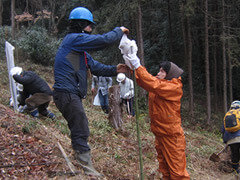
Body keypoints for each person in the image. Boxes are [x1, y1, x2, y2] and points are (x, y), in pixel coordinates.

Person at [52, 7, 129, 176]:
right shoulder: (73, 40)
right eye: (89, 26)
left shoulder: (79, 51)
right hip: (66, 93)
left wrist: (116, 69)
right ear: (80, 25)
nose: (91, 29)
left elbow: (96, 68)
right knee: (81, 128)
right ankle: (87, 170)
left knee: (79, 127)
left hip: (68, 94)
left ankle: (80, 161)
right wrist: (119, 31)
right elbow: (103, 41)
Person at [123, 54, 190, 179]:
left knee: (178, 173)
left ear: (170, 75)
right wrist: (133, 66)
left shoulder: (173, 88)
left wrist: (138, 65)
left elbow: (154, 84)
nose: (158, 73)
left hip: (171, 136)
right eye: (159, 70)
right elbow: (146, 81)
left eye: (162, 71)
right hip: (160, 134)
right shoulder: (161, 84)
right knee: (164, 169)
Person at [222, 100, 240, 174]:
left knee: (234, 154)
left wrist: (225, 140)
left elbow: (223, 130)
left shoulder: (227, 115)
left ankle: (235, 171)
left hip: (231, 140)